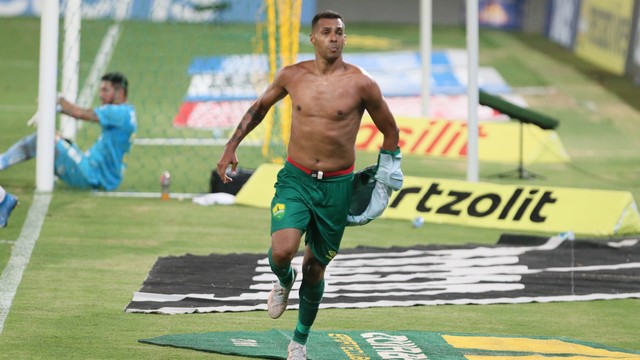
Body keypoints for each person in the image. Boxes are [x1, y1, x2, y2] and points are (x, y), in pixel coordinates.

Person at [216, 10, 402, 360]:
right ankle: (283, 281)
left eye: (340, 32)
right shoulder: (292, 76)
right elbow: (259, 109)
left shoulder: (362, 84)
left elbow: (389, 129)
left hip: (337, 187)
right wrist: (231, 146)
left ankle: (298, 342)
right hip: (296, 179)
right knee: (283, 251)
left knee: (315, 268)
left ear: (345, 39)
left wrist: (390, 168)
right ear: (313, 39)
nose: (334, 38)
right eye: (327, 32)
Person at [0, 72, 137, 191]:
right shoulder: (128, 112)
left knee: (45, 138)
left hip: (94, 177)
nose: (100, 95)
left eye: (105, 90)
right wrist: (57, 107)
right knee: (55, 137)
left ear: (120, 92)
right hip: (99, 173)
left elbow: (80, 113)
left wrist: (57, 100)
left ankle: (2, 162)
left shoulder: (118, 113)